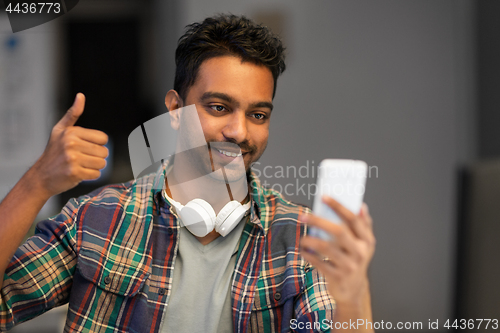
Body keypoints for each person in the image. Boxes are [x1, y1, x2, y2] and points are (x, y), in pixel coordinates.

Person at [0, 14, 375, 332]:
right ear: (175, 110)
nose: (240, 132)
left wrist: (353, 294)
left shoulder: (301, 238)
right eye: (218, 108)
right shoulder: (97, 218)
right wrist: (37, 184)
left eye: (257, 115)